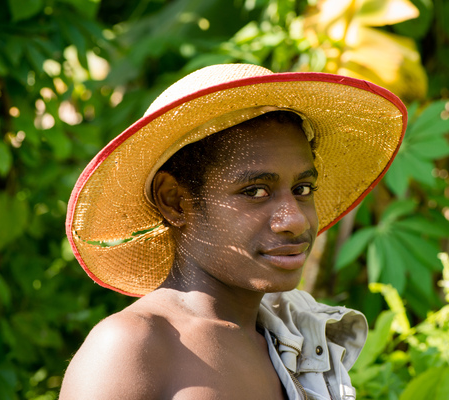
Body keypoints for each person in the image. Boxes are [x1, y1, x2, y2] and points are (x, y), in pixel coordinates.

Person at [60, 63, 406, 399]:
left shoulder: (297, 341)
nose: (295, 220)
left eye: (302, 189)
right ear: (175, 201)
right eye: (255, 191)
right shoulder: (134, 346)